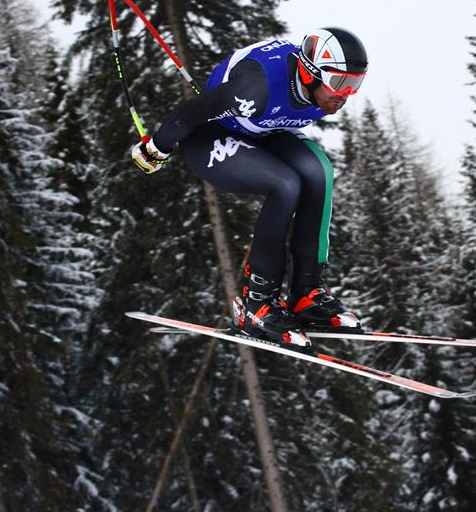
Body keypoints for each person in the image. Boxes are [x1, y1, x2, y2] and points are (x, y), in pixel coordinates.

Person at [131, 27, 368, 348]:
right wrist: (155, 148)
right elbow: (190, 113)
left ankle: (306, 294)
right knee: (285, 185)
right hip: (208, 136)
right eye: (340, 83)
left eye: (355, 84)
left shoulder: (320, 92)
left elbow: (282, 120)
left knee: (319, 173)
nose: (345, 94)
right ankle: (256, 303)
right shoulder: (258, 87)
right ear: (311, 72)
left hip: (260, 131)